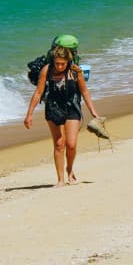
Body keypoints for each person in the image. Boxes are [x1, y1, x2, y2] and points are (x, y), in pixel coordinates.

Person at [23, 35, 103, 186]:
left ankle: (70, 170)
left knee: (71, 144)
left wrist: (93, 111)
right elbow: (38, 93)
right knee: (59, 144)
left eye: (63, 64)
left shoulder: (75, 71)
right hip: (53, 108)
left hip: (72, 106)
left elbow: (84, 91)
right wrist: (29, 115)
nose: (60, 66)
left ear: (68, 61)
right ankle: (60, 179)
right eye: (57, 63)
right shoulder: (47, 70)